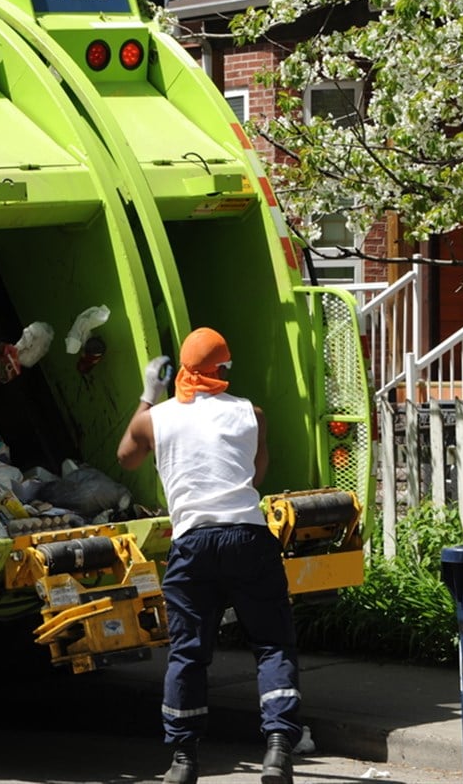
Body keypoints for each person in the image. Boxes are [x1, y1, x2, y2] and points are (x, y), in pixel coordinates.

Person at [117, 327, 301, 784]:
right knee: (272, 642)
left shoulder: (156, 418)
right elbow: (255, 476)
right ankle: (278, 747)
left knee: (188, 652)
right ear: (221, 370)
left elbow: (126, 458)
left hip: (192, 542)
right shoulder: (249, 413)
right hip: (247, 537)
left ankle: (183, 760)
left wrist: (147, 395)